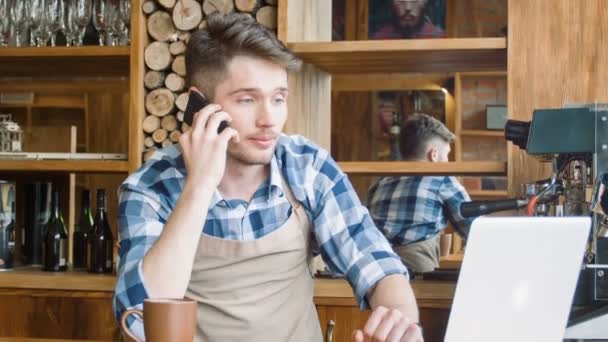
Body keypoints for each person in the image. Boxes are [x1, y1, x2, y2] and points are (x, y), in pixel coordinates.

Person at [114, 12, 422, 342]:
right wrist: (199, 186)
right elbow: (139, 318)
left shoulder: (308, 167)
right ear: (200, 105)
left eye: (278, 98)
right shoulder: (150, 188)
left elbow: (375, 261)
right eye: (247, 99)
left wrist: (399, 323)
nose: (269, 120)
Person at [367, 113, 473, 274]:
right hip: (416, 273)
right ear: (434, 155)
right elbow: (472, 226)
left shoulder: (381, 180)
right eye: (447, 155)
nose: (448, 162)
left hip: (373, 268)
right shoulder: (441, 178)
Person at [371, 0, 445, 39]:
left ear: (424, 3)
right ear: (392, 3)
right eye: (401, 1)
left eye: (414, 1)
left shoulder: (438, 38)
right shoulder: (380, 38)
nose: (408, 8)